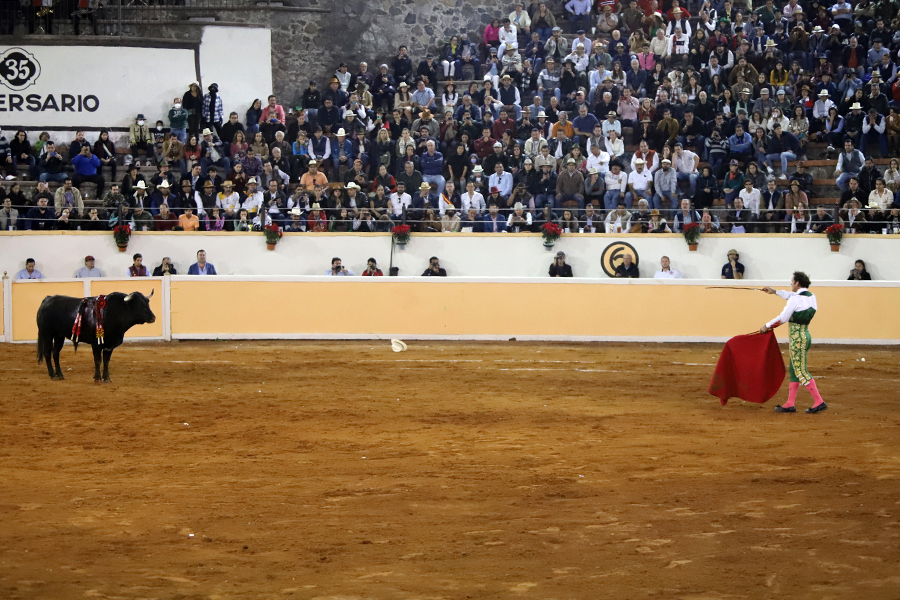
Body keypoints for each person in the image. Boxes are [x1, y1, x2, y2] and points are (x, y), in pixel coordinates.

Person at [760, 271, 827, 414]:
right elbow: (792, 296)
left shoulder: (795, 299)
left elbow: (783, 318)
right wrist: (774, 292)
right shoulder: (811, 297)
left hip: (797, 339)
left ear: (796, 283)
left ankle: (819, 401)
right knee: (794, 369)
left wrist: (767, 326)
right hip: (805, 335)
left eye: (792, 281)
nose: (790, 283)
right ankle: (790, 403)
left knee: (800, 370)